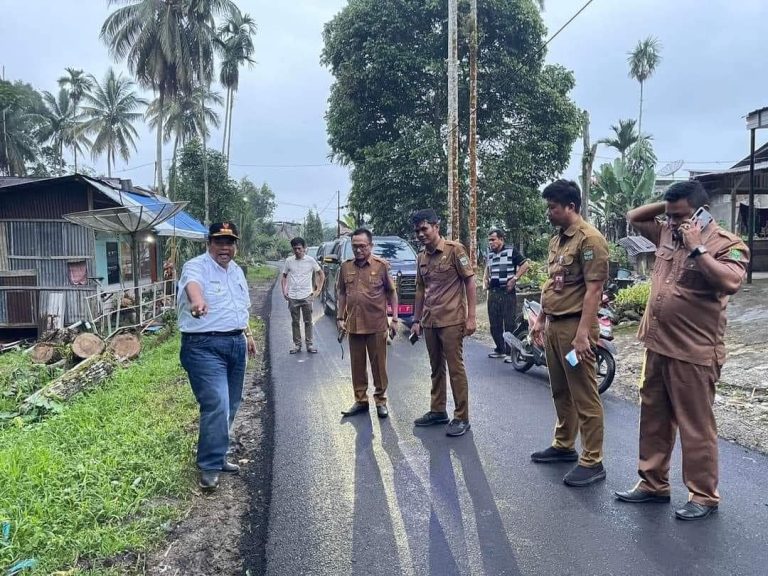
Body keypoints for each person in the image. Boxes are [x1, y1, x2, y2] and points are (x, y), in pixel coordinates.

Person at [615, 181, 749, 520]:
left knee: (695, 426)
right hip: (658, 345)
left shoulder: (727, 244)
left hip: (694, 352)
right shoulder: (665, 233)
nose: (673, 224)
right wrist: (669, 209)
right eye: (670, 216)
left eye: (681, 216)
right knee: (654, 418)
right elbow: (633, 216)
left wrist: (696, 248)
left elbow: (730, 282)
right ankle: (652, 483)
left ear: (702, 213)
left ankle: (704, 495)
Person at [530, 179, 609, 487]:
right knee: (560, 388)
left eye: (553, 207)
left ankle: (593, 460)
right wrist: (540, 319)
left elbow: (594, 290)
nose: (549, 213)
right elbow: (553, 283)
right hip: (553, 326)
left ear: (571, 207)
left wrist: (583, 334)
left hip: (576, 328)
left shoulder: (590, 240)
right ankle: (564, 444)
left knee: (584, 394)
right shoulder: (558, 239)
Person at [177, 222, 257, 490]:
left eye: (230, 242)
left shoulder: (236, 271)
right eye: (219, 242)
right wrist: (197, 303)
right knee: (217, 403)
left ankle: (220, 454)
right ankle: (209, 465)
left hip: (235, 343)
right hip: (203, 346)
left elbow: (240, 307)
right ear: (208, 243)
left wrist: (249, 335)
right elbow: (193, 287)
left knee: (232, 403)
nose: (225, 247)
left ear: (235, 245)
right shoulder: (196, 266)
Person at [410, 209, 477, 437]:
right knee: (435, 368)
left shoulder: (455, 250)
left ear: (436, 227)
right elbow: (420, 290)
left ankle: (462, 417)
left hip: (451, 320)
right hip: (429, 321)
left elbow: (469, 281)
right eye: (417, 230)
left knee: (455, 369)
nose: (420, 234)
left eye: (424, 229)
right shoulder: (421, 257)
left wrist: (471, 317)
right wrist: (416, 320)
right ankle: (438, 410)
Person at [337, 228, 399, 418]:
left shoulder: (381, 266)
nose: (358, 250)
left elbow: (391, 292)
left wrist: (394, 319)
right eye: (355, 246)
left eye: (362, 246)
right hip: (354, 324)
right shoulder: (345, 267)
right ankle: (360, 400)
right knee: (357, 365)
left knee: (379, 366)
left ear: (370, 246)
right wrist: (340, 318)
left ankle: (380, 401)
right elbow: (341, 293)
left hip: (377, 325)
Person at [482, 228, 530, 361]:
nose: (490, 242)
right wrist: (485, 279)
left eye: (493, 239)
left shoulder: (511, 251)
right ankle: (500, 349)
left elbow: (525, 265)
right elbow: (487, 267)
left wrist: (514, 279)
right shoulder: (490, 254)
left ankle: (511, 353)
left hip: (507, 293)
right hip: (493, 292)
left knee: (509, 323)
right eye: (489, 240)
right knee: (494, 324)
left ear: (501, 239)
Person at [282, 237, 325, 354]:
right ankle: (297, 345)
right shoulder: (289, 261)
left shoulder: (311, 261)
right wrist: (284, 291)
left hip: (307, 296)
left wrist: (318, 290)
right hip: (293, 296)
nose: (297, 251)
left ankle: (309, 345)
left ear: (304, 249)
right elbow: (284, 276)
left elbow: (321, 274)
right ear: (292, 249)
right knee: (295, 322)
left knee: (308, 322)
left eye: (299, 248)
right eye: (295, 249)